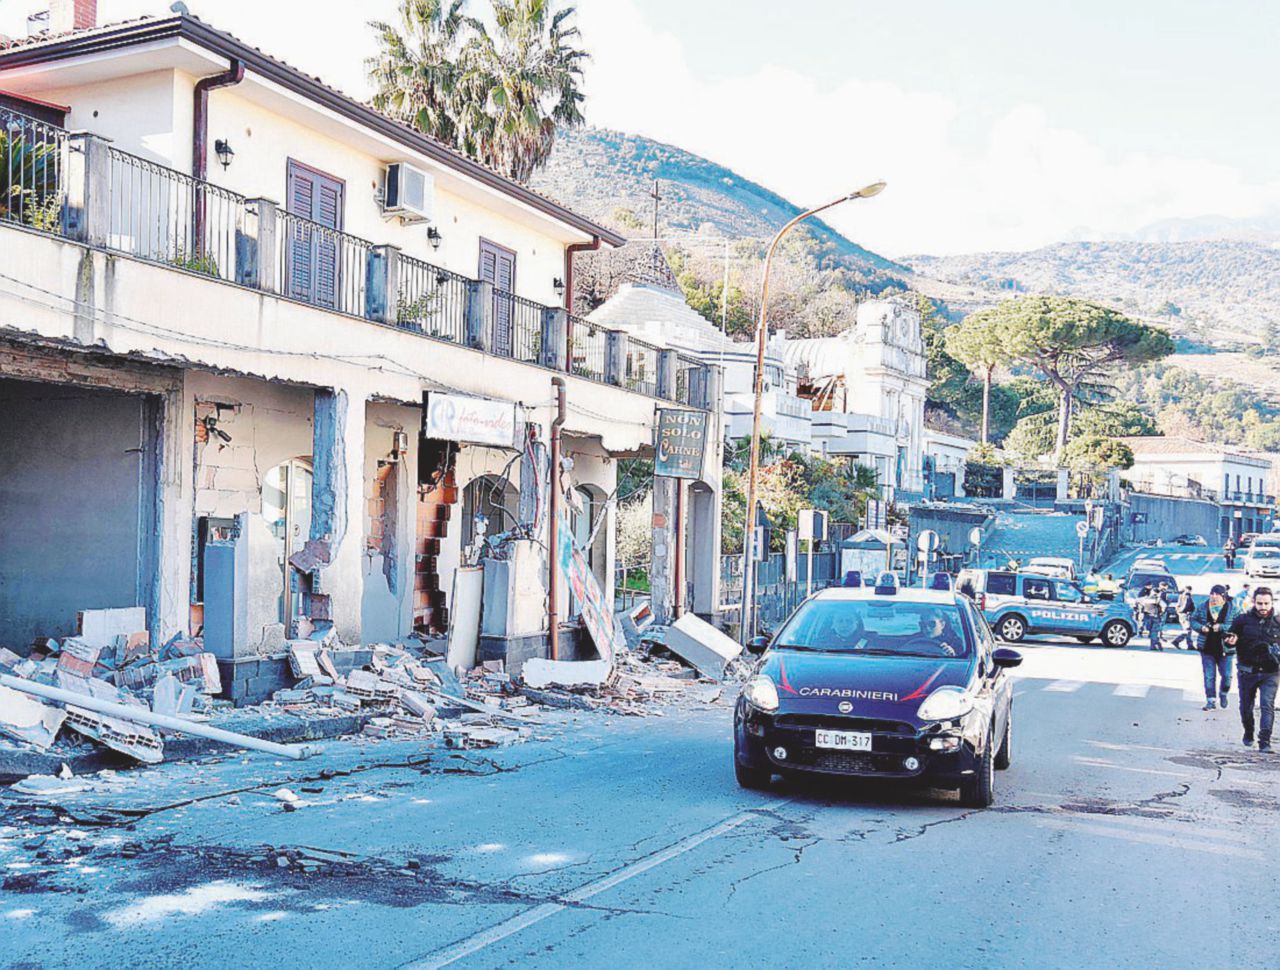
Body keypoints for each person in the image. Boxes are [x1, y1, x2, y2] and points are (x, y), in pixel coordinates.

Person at [1224, 586, 1280, 752]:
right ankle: (1249, 732)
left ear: (1272, 603)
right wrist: (1230, 641)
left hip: (1271, 672)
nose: (1263, 607)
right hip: (1247, 670)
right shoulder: (1242, 620)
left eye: (1266, 603)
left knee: (1266, 705)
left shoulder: (1278, 622)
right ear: (1253, 602)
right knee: (1246, 707)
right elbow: (1229, 639)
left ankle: (1265, 742)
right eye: (1260, 603)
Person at [1193, 584, 1236, 711]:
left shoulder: (1233, 608)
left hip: (1226, 649)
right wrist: (1201, 628)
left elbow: (1238, 625)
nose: (1214, 597)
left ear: (1223, 596)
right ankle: (1210, 700)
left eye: (1217, 594)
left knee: (1227, 676)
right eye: (1212, 594)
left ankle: (1223, 692)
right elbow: (1193, 620)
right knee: (1209, 676)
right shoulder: (1202, 607)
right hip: (1207, 647)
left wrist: (1222, 627)